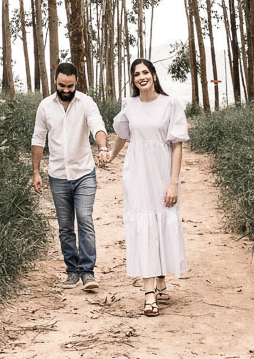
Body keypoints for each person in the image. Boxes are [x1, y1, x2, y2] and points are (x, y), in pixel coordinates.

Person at [101, 58, 188, 317]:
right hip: (136, 172)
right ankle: (149, 291)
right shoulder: (129, 105)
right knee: (143, 225)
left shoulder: (170, 104)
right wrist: (111, 156)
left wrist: (173, 183)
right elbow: (123, 135)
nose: (142, 77)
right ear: (133, 79)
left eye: (145, 72)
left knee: (161, 221)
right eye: (137, 73)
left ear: (153, 75)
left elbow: (177, 145)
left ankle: (161, 274)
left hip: (162, 171)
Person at [32, 62, 109, 291]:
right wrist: (35, 171)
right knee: (65, 226)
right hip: (57, 175)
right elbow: (38, 139)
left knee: (85, 218)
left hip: (84, 172)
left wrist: (103, 148)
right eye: (61, 85)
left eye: (70, 86)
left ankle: (88, 273)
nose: (66, 90)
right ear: (55, 82)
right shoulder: (45, 106)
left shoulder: (86, 102)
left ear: (77, 83)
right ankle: (72, 271)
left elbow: (98, 126)